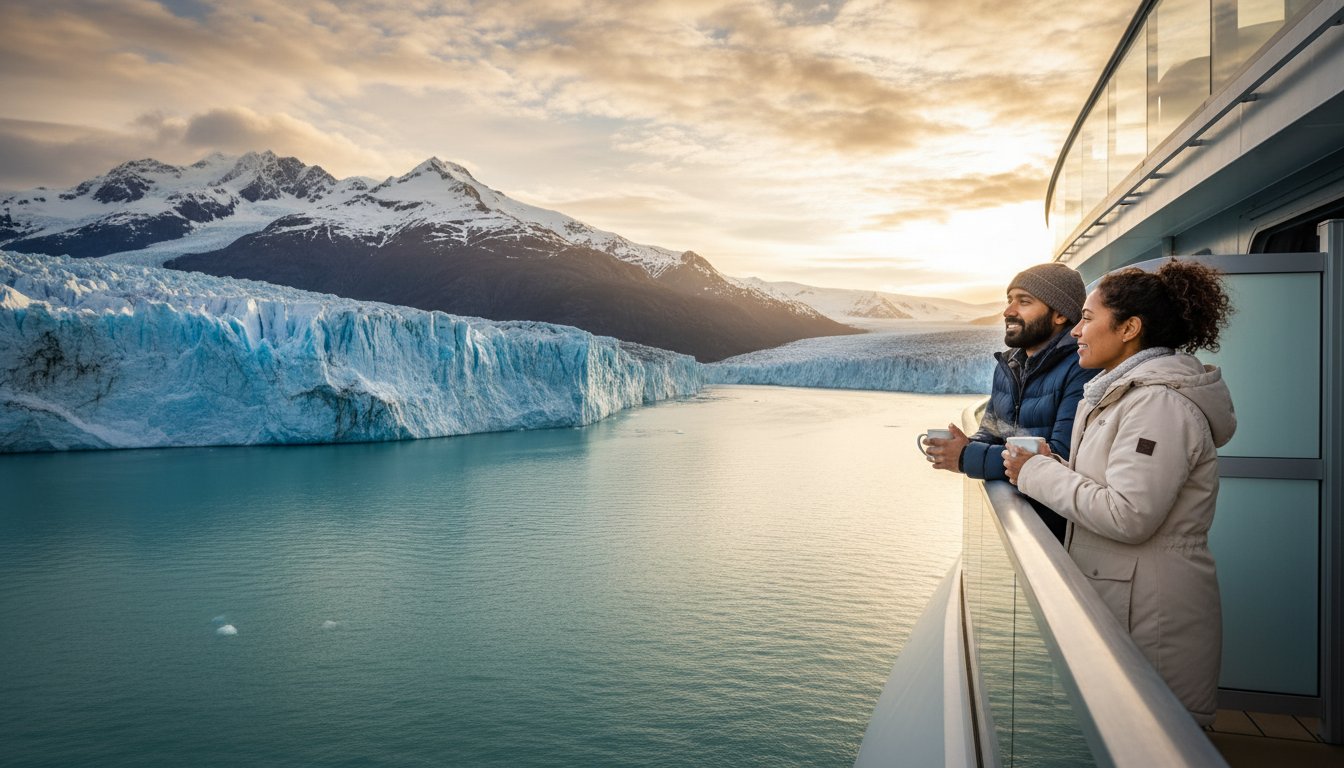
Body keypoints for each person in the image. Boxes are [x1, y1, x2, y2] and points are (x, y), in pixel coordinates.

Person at [1002, 259, 1235, 727]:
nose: (1075, 332)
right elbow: (1114, 489)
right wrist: (1054, 465)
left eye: (1088, 318)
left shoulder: (1159, 405)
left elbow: (1129, 514)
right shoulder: (1125, 395)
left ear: (1129, 328)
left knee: (1154, 740)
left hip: (1151, 614)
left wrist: (1037, 474)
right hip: (1126, 598)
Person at [923, 262, 1097, 541]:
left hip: (1058, 537)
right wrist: (962, 444)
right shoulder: (1009, 365)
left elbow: (1058, 455)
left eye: (1024, 301)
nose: (1008, 311)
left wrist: (967, 456)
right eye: (1009, 300)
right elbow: (993, 431)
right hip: (1017, 527)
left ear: (1060, 315)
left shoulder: (1081, 367)